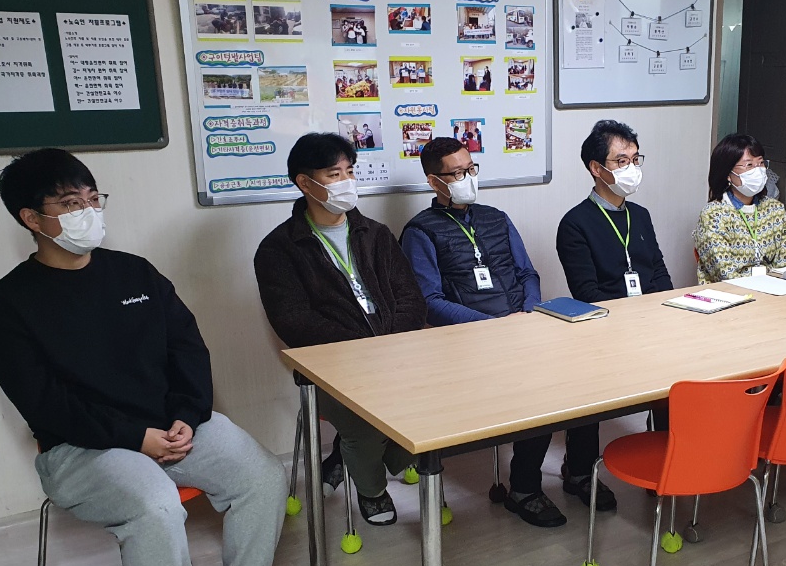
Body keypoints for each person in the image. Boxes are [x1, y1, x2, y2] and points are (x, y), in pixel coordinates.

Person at [0, 149, 291, 566]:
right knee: (155, 504)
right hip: (80, 449)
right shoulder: (8, 304)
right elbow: (45, 404)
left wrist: (186, 415)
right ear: (31, 218)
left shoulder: (133, 272)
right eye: (70, 203)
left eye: (93, 198)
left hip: (170, 428)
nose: (88, 212)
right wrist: (133, 438)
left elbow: (187, 347)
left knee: (262, 474)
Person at [399, 139, 598, 526]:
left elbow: (527, 273)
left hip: (520, 326)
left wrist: (528, 312)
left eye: (471, 169)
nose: (468, 178)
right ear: (434, 181)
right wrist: (490, 327)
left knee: (582, 378)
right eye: (457, 173)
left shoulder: (496, 218)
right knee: (539, 392)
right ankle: (524, 489)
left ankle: (581, 473)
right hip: (468, 342)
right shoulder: (420, 232)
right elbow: (429, 301)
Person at [254, 133, 427, 527]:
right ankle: (372, 491)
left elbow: (411, 299)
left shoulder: (375, 234)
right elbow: (294, 322)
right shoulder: (279, 249)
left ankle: (356, 458)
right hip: (330, 367)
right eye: (335, 174)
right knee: (365, 426)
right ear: (305, 182)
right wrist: (363, 351)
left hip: (395, 353)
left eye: (350, 171)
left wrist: (388, 347)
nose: (347, 181)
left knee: (434, 405)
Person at [555, 119, 676, 499]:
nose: (632, 168)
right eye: (621, 160)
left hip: (650, 323)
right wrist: (632, 322)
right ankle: (579, 472)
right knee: (587, 381)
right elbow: (587, 292)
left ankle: (665, 459)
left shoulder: (640, 215)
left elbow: (658, 271)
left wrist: (666, 313)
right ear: (596, 168)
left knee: (676, 378)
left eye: (635, 159)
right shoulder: (575, 223)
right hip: (603, 329)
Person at [693, 133, 786, 283]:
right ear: (728, 174)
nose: (758, 170)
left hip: (774, 290)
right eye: (749, 165)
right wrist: (767, 277)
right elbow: (725, 273)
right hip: (729, 292)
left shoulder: (775, 209)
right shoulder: (713, 214)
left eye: (760, 163)